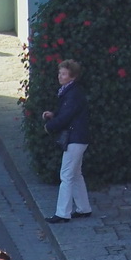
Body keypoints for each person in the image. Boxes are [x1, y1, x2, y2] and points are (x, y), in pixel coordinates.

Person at [42, 58, 91, 223]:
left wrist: (50, 125)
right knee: (76, 174)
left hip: (75, 138)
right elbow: (67, 114)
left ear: (72, 77)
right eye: (60, 73)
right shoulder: (70, 92)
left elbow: (67, 116)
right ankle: (84, 208)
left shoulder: (72, 94)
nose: (60, 76)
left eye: (63, 73)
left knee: (66, 175)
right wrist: (54, 116)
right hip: (79, 137)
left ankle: (63, 213)